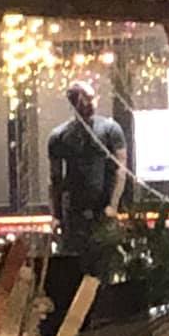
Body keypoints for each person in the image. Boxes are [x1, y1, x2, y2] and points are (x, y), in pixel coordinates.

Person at [46, 81, 127, 256]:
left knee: (103, 259)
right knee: (73, 260)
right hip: (73, 212)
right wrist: (56, 215)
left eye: (92, 98)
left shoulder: (111, 130)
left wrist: (113, 205)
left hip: (102, 210)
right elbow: (55, 178)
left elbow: (120, 170)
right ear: (74, 103)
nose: (90, 103)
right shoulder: (59, 136)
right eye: (84, 99)